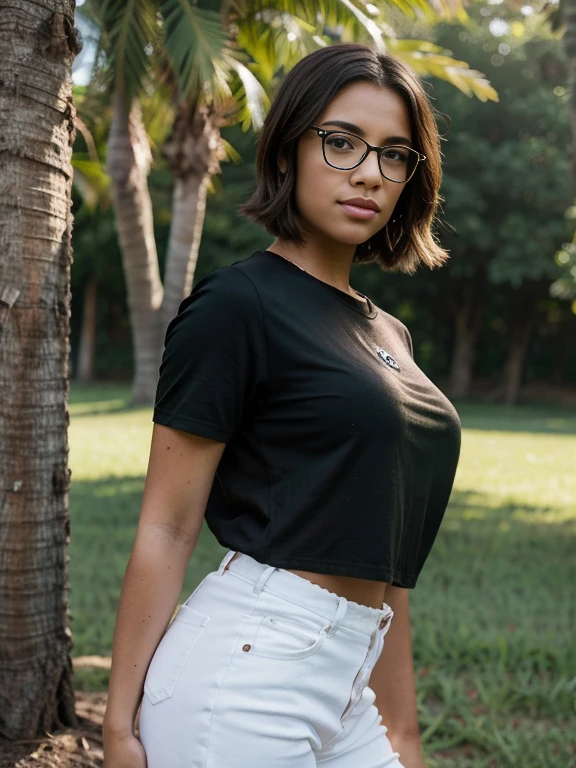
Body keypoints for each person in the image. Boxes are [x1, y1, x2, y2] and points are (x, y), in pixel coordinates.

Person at [103, 42, 462, 768]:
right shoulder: (238, 305)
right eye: (340, 143)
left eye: (395, 155)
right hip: (246, 671)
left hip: (349, 680)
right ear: (288, 150)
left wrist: (407, 737)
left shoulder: (390, 334)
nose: (369, 171)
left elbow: (389, 570)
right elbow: (168, 526)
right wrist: (117, 726)